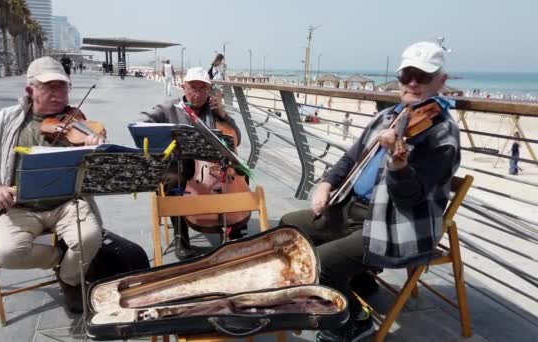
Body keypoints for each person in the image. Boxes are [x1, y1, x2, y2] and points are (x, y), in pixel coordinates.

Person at [279, 41, 460, 341]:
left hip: (390, 226)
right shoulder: (389, 116)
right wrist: (325, 184)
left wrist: (399, 165)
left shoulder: (441, 134)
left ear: (441, 81)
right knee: (288, 228)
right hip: (351, 208)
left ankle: (357, 320)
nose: (413, 83)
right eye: (407, 75)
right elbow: (351, 157)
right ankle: (356, 277)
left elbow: (411, 198)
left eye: (423, 76)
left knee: (318, 265)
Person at [0, 57, 105, 314]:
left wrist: (93, 150)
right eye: (49, 88)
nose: (58, 95)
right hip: (21, 206)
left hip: (67, 202)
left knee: (90, 237)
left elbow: (97, 173)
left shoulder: (78, 122)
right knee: (6, 254)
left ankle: (70, 280)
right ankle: (61, 261)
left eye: (63, 87)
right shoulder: (8, 119)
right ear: (30, 90)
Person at [142, 67, 242, 260]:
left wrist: (223, 114)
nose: (197, 93)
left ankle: (231, 230)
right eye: (193, 88)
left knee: (239, 174)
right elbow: (144, 121)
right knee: (173, 179)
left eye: (203, 89)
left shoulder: (214, 112)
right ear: (183, 87)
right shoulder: (170, 107)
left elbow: (237, 137)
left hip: (210, 164)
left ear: (209, 91)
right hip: (179, 163)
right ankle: (181, 237)